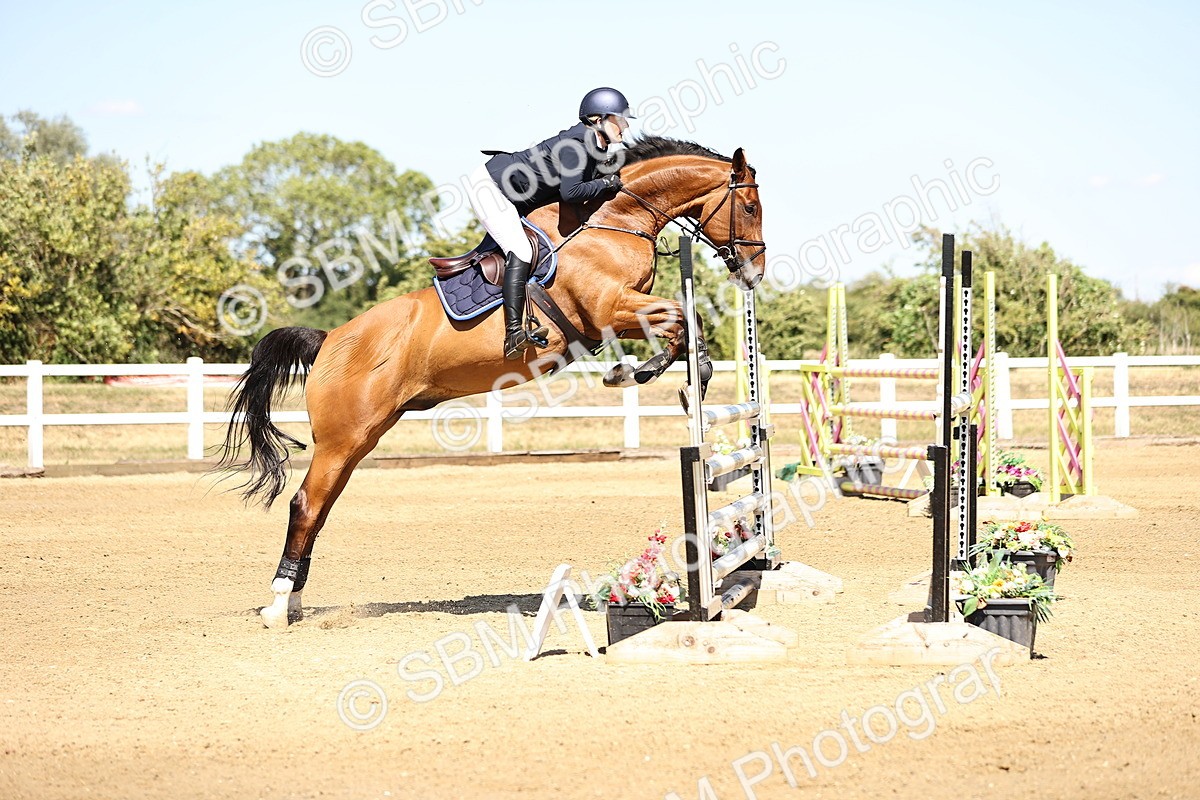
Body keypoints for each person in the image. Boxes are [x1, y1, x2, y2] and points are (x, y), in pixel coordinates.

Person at [466, 87, 635, 359]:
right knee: (520, 250)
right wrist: (606, 183)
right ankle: (513, 334)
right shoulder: (578, 146)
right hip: (491, 189)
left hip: (518, 195)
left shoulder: (595, 146)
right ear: (597, 119)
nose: (624, 126)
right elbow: (572, 193)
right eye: (620, 119)